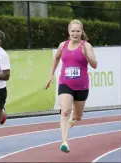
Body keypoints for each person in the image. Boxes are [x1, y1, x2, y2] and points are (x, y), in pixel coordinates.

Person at [45, 19, 97, 153]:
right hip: (65, 83)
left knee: (78, 116)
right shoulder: (63, 45)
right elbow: (56, 58)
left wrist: (87, 56)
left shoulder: (86, 46)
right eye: (73, 31)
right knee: (65, 111)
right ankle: (64, 142)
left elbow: (94, 65)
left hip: (81, 86)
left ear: (81, 32)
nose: (75, 33)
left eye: (78, 31)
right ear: (68, 32)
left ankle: (74, 119)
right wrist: (51, 75)